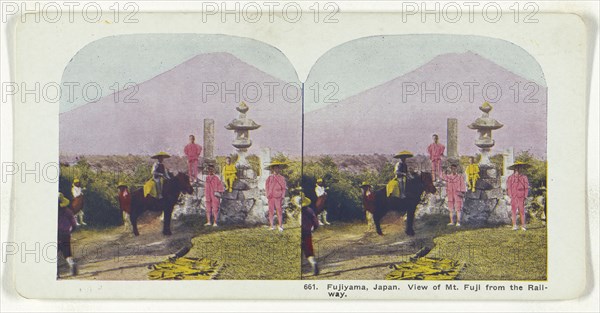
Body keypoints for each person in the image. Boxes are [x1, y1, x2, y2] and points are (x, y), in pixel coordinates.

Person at [58, 192, 78, 276]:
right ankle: (72, 264)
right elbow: (74, 223)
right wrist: (71, 230)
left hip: (55, 233)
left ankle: (56, 273)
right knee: (67, 252)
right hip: (65, 234)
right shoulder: (68, 211)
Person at [506, 161, 530, 231]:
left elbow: (526, 187)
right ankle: (514, 225)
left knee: (522, 211)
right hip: (514, 196)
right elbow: (509, 187)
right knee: (513, 211)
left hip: (521, 196)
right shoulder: (510, 178)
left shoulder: (524, 177)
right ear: (514, 169)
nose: (518, 170)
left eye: (519, 168)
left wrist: (525, 195)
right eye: (516, 168)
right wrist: (510, 195)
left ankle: (523, 226)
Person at [265, 161, 288, 232]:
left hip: (278, 196)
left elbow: (284, 188)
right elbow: (266, 186)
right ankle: (271, 226)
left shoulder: (281, 178)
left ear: (279, 169)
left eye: (277, 168)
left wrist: (283, 196)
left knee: (279, 211)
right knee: (271, 211)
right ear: (272, 169)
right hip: (271, 196)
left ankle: (280, 226)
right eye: (274, 168)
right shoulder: (269, 178)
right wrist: (267, 194)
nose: (276, 170)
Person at [301, 193, 319, 276]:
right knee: (309, 252)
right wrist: (314, 228)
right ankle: (313, 263)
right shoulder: (309, 210)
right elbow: (315, 222)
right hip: (307, 233)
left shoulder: (296, 212)